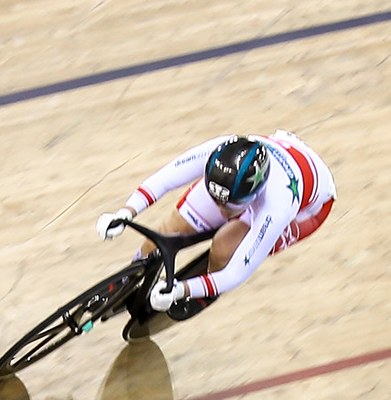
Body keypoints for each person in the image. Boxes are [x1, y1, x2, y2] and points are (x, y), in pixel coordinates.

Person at [97, 130, 335, 338]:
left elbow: (237, 272)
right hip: (252, 179)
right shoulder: (219, 153)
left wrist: (182, 290)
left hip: (305, 211)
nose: (222, 210)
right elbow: (165, 179)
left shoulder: (279, 205)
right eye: (218, 201)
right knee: (168, 230)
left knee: (224, 248)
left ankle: (205, 288)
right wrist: (126, 212)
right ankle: (127, 280)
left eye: (228, 206)